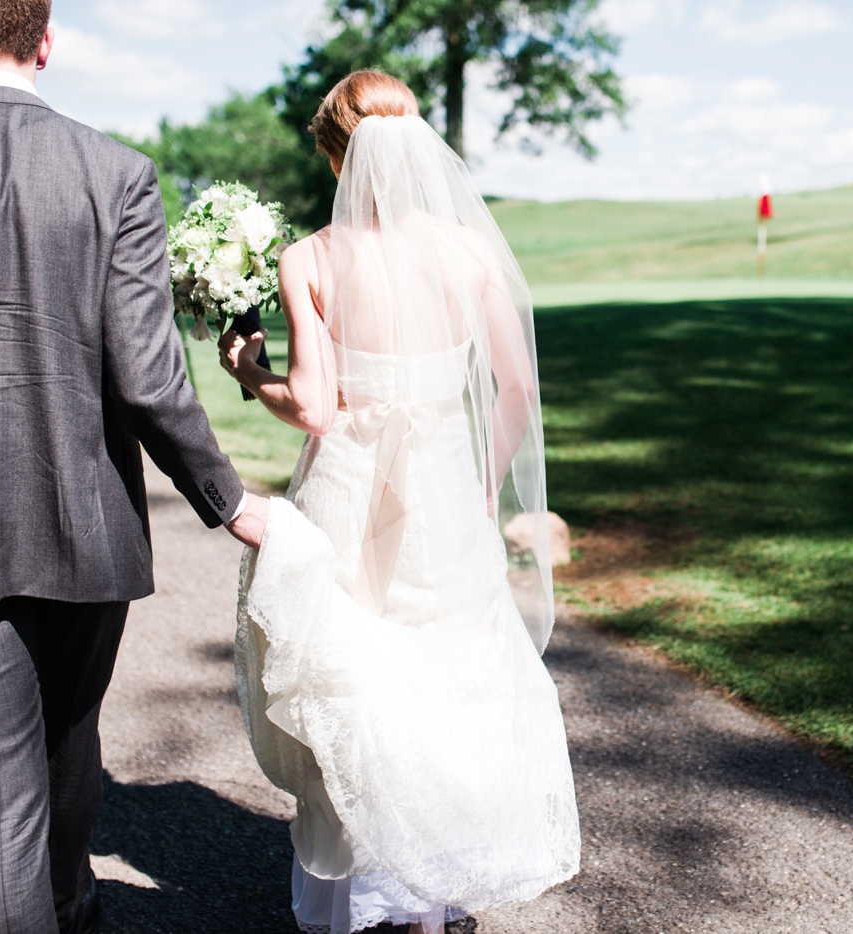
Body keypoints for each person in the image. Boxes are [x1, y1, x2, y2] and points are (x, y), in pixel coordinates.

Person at [0, 3, 269, 932]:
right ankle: (63, 902)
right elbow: (148, 377)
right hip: (85, 517)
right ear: (45, 41)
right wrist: (230, 500)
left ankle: (56, 904)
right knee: (64, 736)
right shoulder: (115, 172)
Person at [220, 71, 580, 934]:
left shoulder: (307, 258)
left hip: (349, 485)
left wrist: (248, 373)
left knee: (359, 679)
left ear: (337, 155)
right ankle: (433, 893)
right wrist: (484, 483)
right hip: (447, 484)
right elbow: (516, 387)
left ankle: (377, 891)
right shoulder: (470, 251)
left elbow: (312, 406)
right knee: (452, 674)